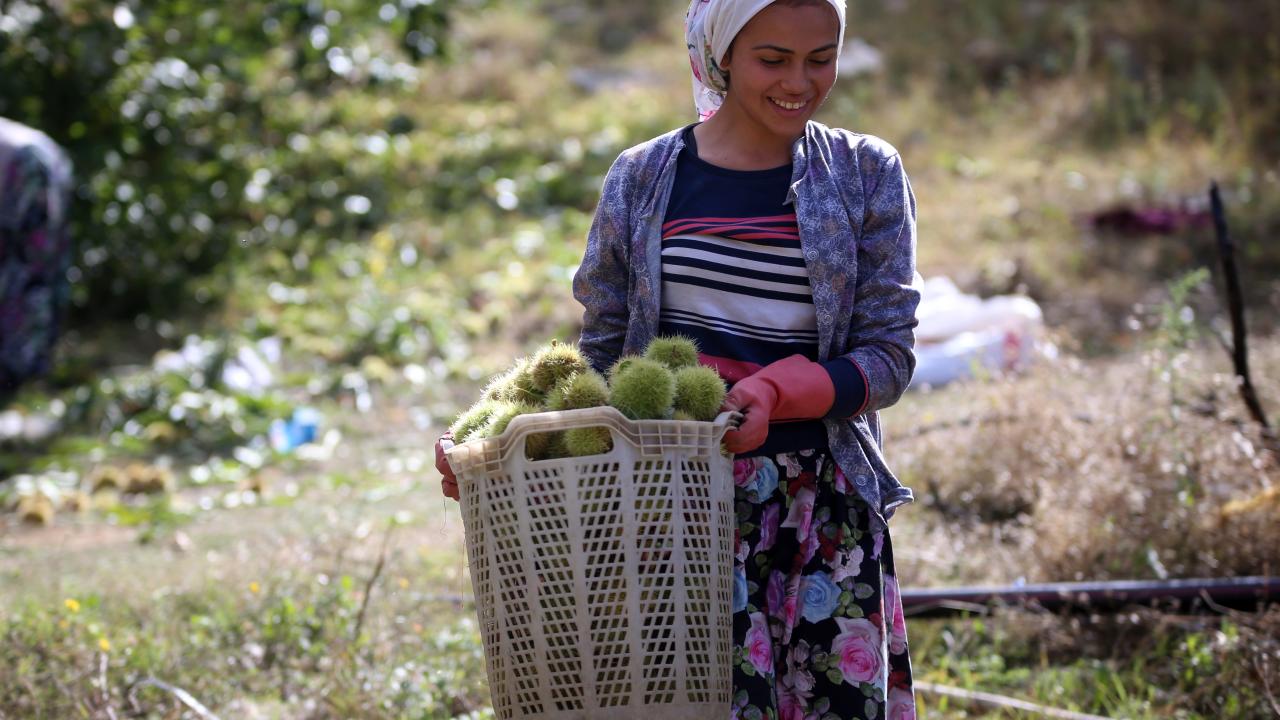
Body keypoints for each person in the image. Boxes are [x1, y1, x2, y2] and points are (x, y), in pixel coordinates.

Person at [438, 0, 919, 716]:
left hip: (818, 515)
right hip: (673, 505)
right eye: (773, 59)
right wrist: (488, 443)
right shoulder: (643, 176)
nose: (800, 82)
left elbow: (888, 356)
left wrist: (783, 392)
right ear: (720, 56)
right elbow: (601, 354)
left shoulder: (865, 172)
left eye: (821, 59)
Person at [0, 117, 74, 408]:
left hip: (26, 175)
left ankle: (15, 376)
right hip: (41, 168)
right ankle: (25, 375)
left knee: (24, 282)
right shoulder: (30, 141)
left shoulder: (19, 151)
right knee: (38, 279)